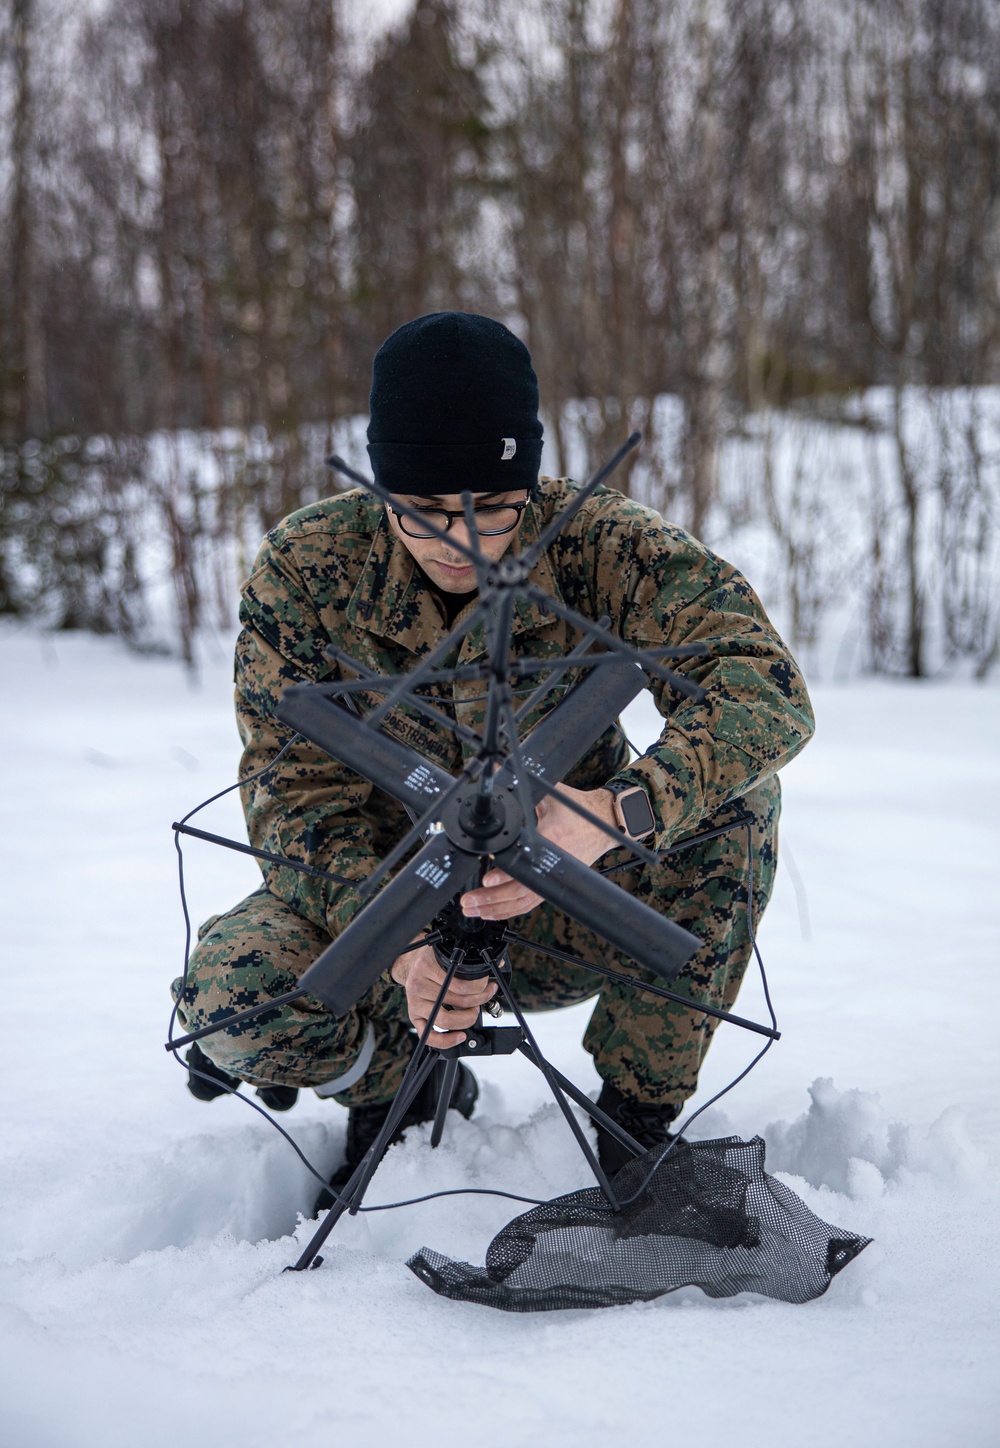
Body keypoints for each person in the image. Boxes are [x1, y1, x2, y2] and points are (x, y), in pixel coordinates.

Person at [172, 312, 814, 1208]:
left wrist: (613, 812)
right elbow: (294, 795)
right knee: (235, 995)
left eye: (493, 509)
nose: (461, 541)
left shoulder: (601, 544)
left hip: (571, 898)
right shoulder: (309, 569)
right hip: (387, 896)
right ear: (381, 487)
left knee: (741, 807)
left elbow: (764, 690)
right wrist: (397, 951)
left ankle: (636, 1117)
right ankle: (392, 1083)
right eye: (424, 512)